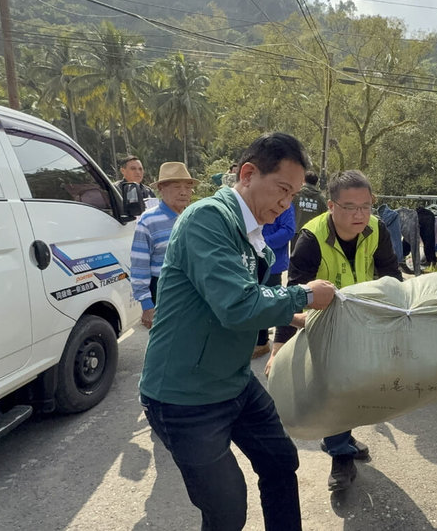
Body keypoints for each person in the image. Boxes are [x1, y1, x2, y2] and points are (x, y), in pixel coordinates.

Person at [138, 133, 336, 531]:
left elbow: (249, 296)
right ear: (247, 173)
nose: (286, 203)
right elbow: (236, 304)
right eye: (282, 188)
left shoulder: (250, 233)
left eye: (293, 193)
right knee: (227, 510)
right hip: (185, 398)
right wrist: (303, 295)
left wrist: (295, 319)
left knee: (281, 461)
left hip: (232, 381)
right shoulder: (208, 219)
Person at [269, 169, 402, 492]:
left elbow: (391, 277)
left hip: (364, 320)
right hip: (323, 325)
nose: (360, 215)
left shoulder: (376, 229)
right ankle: (340, 453)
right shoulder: (310, 239)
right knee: (334, 388)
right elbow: (293, 297)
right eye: (350, 207)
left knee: (359, 387)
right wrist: (279, 347)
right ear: (331, 206)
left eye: (366, 206)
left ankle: (343, 438)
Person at [130, 162, 195, 329]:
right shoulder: (148, 221)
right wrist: (146, 305)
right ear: (161, 188)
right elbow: (139, 265)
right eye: (176, 186)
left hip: (191, 288)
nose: (183, 192)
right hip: (162, 289)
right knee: (166, 341)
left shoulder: (193, 217)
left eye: (187, 187)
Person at [252, 203, 296, 358]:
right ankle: (256, 337)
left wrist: (261, 241)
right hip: (251, 259)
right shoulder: (254, 199)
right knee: (253, 298)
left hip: (272, 262)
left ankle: (263, 342)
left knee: (268, 299)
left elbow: (288, 230)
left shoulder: (285, 204)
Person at [291, 170, 327, 245]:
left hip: (297, 232)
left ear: (303, 179)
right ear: (316, 182)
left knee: (296, 256)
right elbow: (326, 216)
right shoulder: (320, 198)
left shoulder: (296, 195)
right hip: (314, 233)